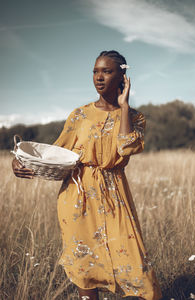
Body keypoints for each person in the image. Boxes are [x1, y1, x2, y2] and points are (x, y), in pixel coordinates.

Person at [12, 50, 162, 300]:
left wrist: (123, 106)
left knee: (133, 260)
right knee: (83, 263)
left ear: (122, 76)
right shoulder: (79, 115)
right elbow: (55, 153)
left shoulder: (135, 117)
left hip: (114, 194)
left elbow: (126, 147)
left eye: (107, 71)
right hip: (77, 196)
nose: (99, 77)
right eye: (95, 71)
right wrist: (17, 160)